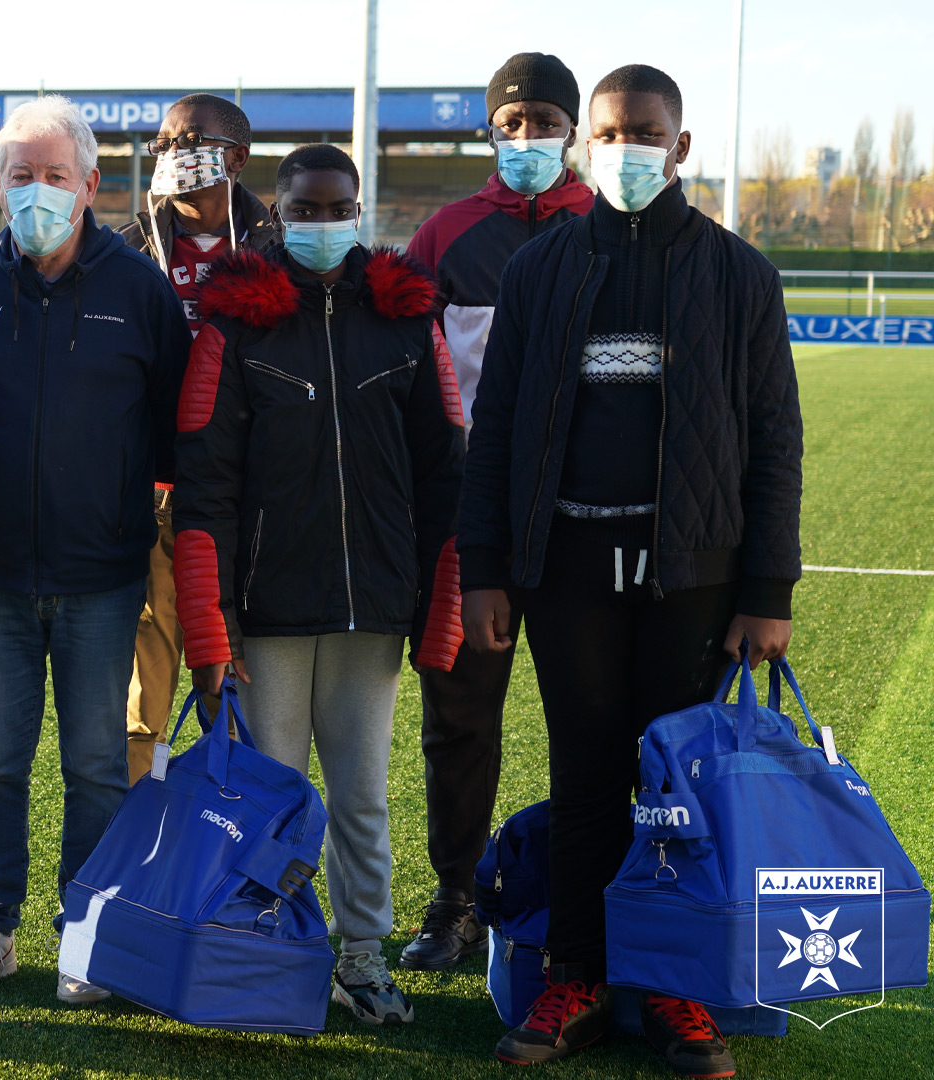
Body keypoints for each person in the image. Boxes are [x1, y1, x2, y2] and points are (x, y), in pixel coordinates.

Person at [461, 65, 801, 1076]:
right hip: (566, 573)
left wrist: (766, 591)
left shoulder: (741, 275)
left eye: (643, 133)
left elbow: (774, 442)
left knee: (678, 791)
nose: (623, 150)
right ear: (585, 146)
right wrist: (487, 569)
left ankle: (674, 988)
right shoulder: (542, 270)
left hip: (691, 579)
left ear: (682, 147)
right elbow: (497, 430)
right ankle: (578, 976)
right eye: (606, 134)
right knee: (589, 778)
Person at [173, 143, 465, 1028]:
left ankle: (362, 957)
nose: (324, 223)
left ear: (361, 208)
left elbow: (445, 472)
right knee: (270, 799)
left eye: (339, 208)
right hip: (265, 612)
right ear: (278, 214)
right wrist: (210, 623)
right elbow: (203, 483)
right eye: (305, 209)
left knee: (362, 797)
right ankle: (259, 951)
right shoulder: (235, 323)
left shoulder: (409, 320)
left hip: (371, 610)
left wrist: (438, 607)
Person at [0, 95, 190, 1005]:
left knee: (93, 764)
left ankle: (86, 928)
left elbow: (167, 429)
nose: (37, 191)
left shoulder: (141, 289)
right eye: (21, 176)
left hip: (103, 576)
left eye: (56, 176)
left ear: (91, 184)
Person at [396, 52, 595, 974]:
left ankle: (588, 899)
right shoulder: (445, 236)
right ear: (489, 131)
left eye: (545, 120)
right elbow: (403, 381)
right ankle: (458, 894)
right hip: (469, 529)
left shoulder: (611, 226)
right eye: (511, 123)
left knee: (590, 723)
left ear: (575, 128)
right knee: (460, 719)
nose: (528, 138)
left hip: (589, 526)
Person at [114, 93, 277, 784]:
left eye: (192, 140)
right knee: (141, 699)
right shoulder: (124, 253)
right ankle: (134, 857)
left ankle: (229, 856)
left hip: (248, 504)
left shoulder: (280, 254)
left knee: (235, 688)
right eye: (164, 142)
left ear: (235, 158)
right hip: (150, 497)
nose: (174, 153)